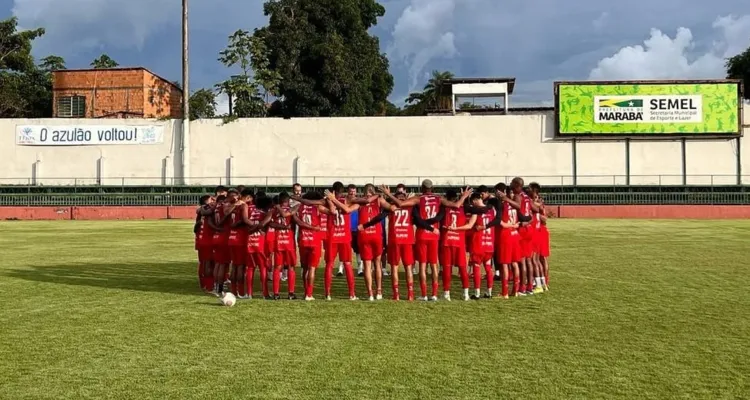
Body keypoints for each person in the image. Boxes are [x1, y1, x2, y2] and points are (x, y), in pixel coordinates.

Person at [380, 180, 471, 301]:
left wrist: (388, 194)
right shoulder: (439, 199)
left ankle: (423, 294)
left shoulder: (419, 199)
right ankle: (434, 294)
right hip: (434, 235)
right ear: (432, 188)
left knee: (422, 266)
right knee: (434, 265)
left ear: (422, 188)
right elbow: (456, 205)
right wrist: (464, 196)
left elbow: (400, 205)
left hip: (421, 234)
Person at [293, 182, 358, 300]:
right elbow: (345, 210)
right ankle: (352, 294)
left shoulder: (324, 202)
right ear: (343, 192)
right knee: (347, 264)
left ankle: (327, 294)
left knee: (328, 264)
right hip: (344, 237)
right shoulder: (347, 201)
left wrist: (330, 200)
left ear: (333, 191)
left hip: (331, 237)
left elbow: (320, 207)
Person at [295, 191, 330, 301]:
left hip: (303, 240)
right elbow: (332, 211)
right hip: (314, 241)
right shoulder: (318, 207)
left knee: (305, 269)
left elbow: (296, 220)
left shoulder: (299, 207)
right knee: (312, 269)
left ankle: (306, 293)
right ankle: (309, 294)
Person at [439, 189, 471, 301]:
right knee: (463, 268)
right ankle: (466, 294)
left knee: (447, 268)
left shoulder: (444, 208)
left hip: (447, 241)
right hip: (459, 241)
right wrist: (465, 197)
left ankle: (447, 294)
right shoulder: (463, 208)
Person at [195, 195, 217, 292]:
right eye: (211, 199)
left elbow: (195, 228)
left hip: (201, 240)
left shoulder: (201, 212)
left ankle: (204, 284)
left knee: (203, 262)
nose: (213, 200)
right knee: (209, 263)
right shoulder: (208, 211)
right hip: (208, 240)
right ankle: (209, 286)